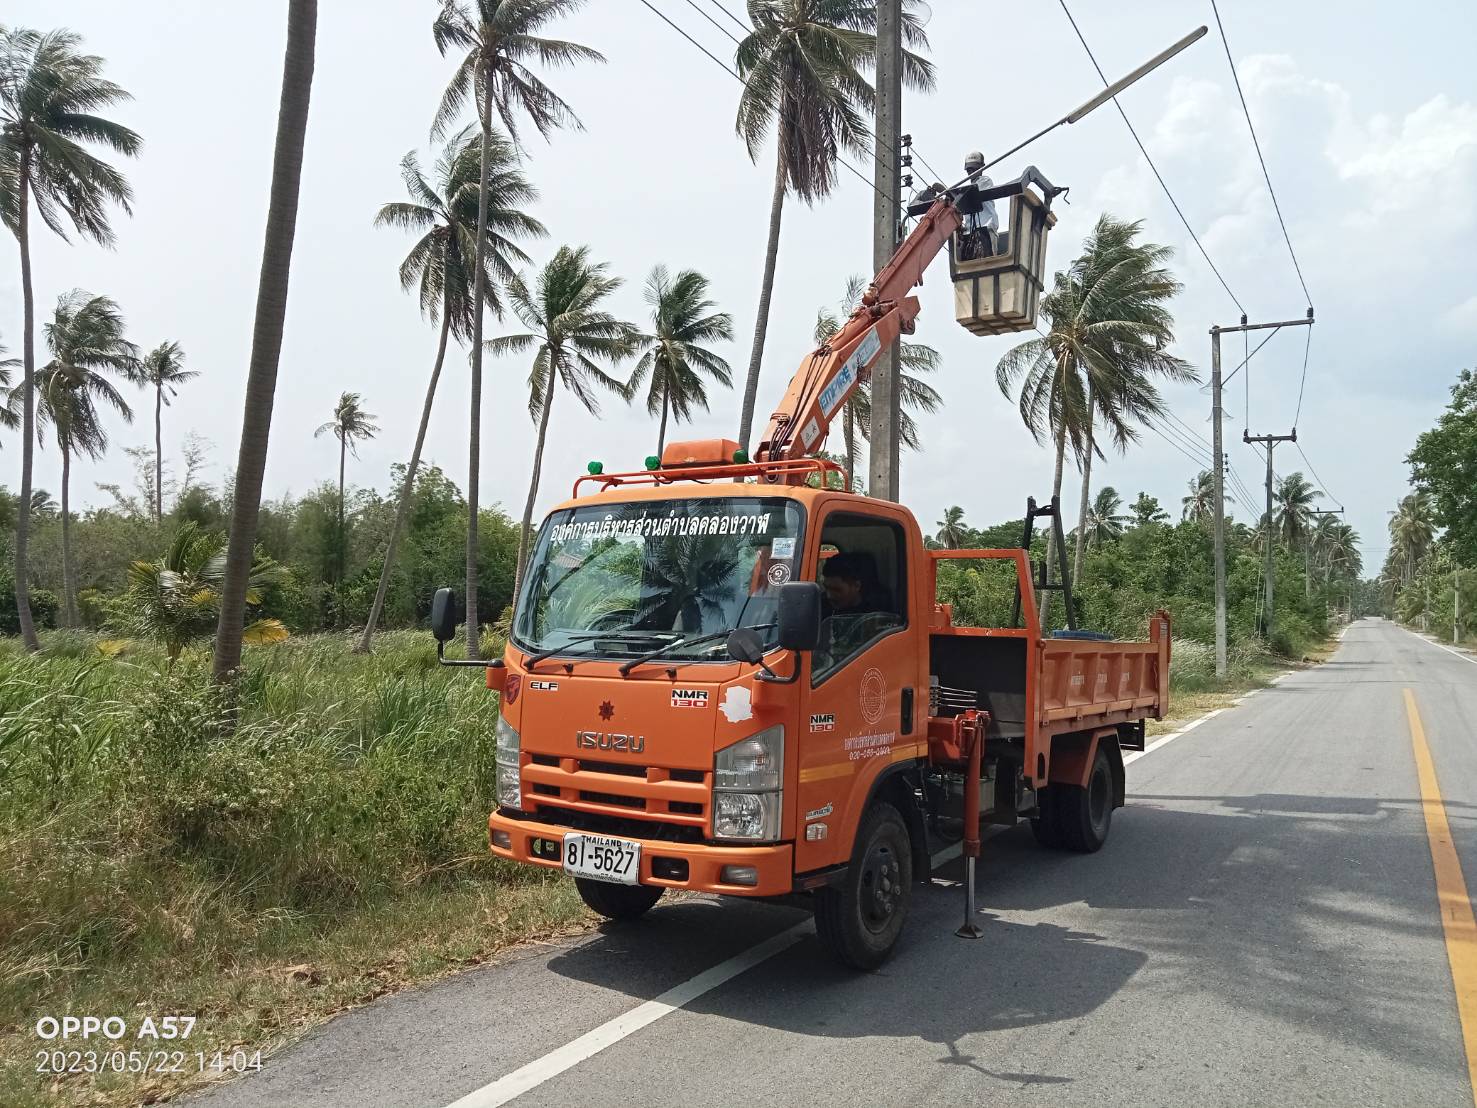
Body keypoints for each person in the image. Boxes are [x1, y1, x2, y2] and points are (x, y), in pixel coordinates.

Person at [959, 150, 999, 261]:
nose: (971, 172)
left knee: (987, 263)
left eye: (974, 168)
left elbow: (972, 193)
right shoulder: (966, 191)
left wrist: (953, 196)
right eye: (969, 169)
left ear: (982, 167)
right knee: (970, 264)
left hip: (986, 230)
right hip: (970, 233)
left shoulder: (985, 181)